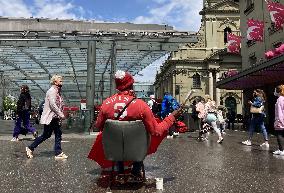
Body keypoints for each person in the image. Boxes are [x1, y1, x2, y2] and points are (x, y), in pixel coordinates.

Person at [88, 70, 183, 180]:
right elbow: (156, 131)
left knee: (116, 137)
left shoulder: (106, 104)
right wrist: (172, 117)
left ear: (117, 85)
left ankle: (120, 170)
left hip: (114, 150)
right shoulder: (141, 105)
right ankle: (135, 170)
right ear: (131, 85)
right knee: (145, 134)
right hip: (137, 150)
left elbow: (98, 126)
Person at [25, 75, 67, 159]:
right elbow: (52, 105)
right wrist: (61, 114)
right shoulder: (51, 91)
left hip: (55, 117)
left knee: (55, 134)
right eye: (60, 81)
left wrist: (60, 114)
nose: (62, 82)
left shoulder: (57, 91)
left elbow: (59, 104)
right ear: (55, 82)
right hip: (51, 118)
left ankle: (58, 152)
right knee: (47, 135)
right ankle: (30, 147)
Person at [272, 85, 284, 155]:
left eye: (275, 90)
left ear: (278, 91)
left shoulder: (279, 100)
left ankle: (281, 150)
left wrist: (279, 121)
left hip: (280, 120)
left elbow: (279, 112)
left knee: (279, 135)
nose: (274, 92)